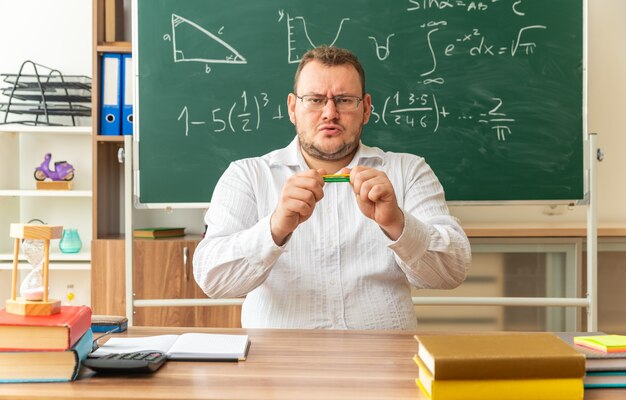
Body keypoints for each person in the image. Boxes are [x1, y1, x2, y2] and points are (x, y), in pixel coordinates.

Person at [193, 46, 471, 330]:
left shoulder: (408, 171)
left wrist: (397, 224)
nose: (329, 113)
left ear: (365, 108)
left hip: (385, 364)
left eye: (345, 100)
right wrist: (273, 229)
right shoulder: (248, 175)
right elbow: (213, 280)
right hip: (278, 364)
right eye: (314, 99)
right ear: (292, 108)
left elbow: (451, 272)